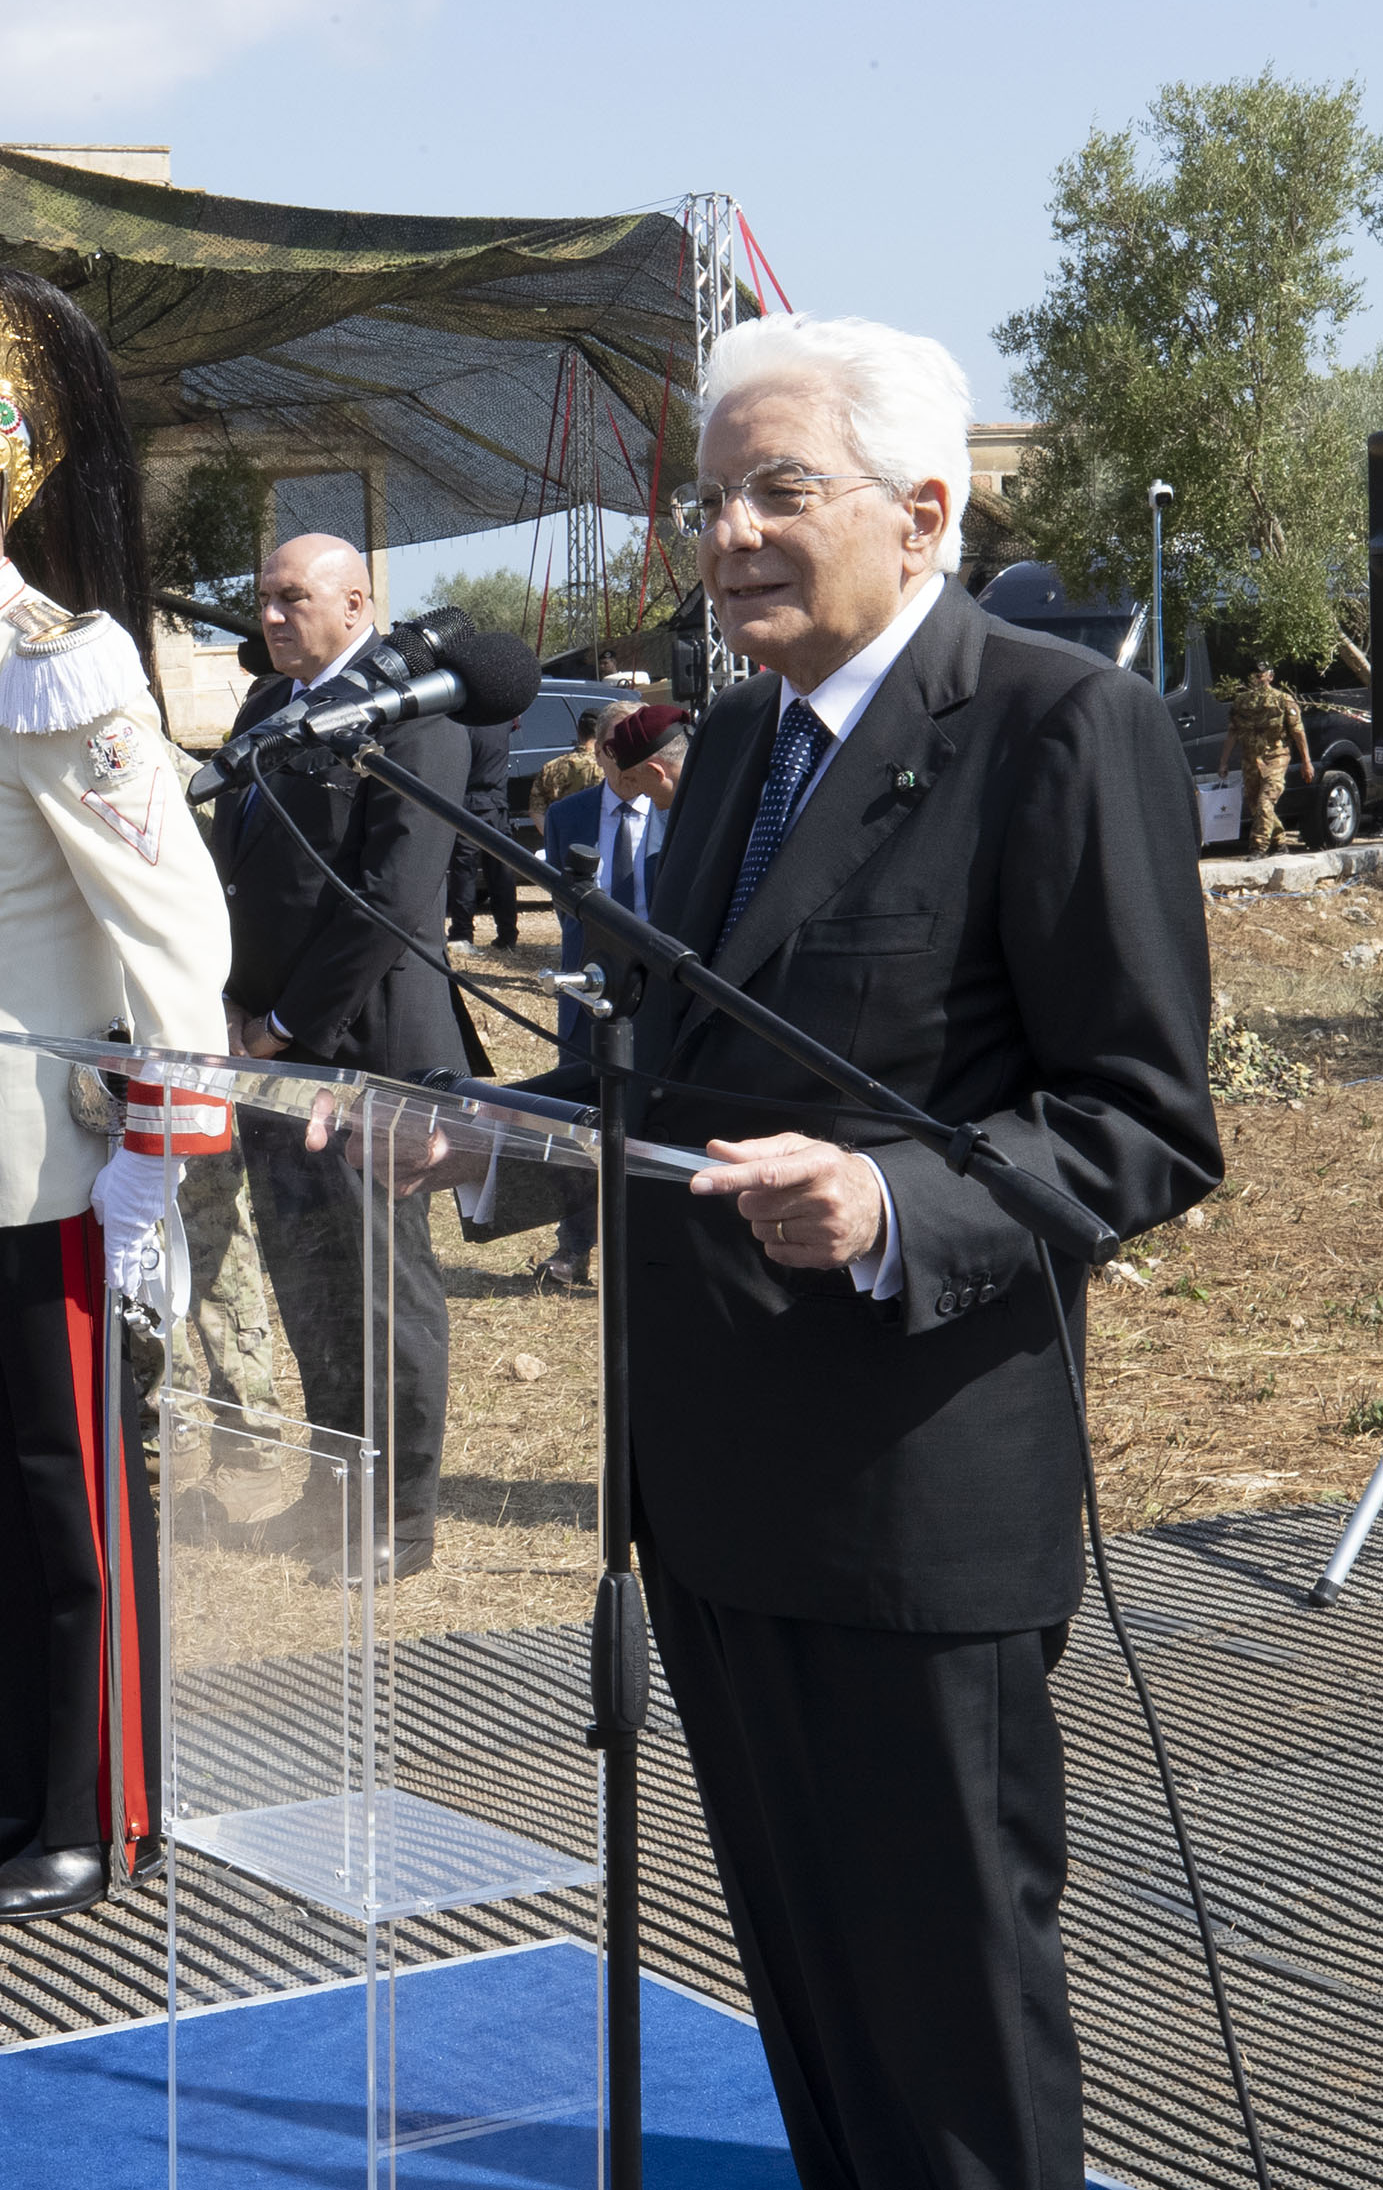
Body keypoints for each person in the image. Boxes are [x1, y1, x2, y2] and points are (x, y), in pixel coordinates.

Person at [458, 313, 1216, 2185]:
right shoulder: (727, 744)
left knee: (946, 2021)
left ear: (922, 509)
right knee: (807, 1991)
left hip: (910, 1494)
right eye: (711, 497)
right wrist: (479, 1140)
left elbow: (1140, 1114)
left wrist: (900, 1204)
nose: (725, 535)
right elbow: (669, 1067)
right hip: (712, 1488)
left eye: (776, 491)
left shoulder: (1053, 722)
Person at [0, 267, 228, 1923]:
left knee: (72, 1502)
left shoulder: (55, 668)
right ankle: (8, 1785)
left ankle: (101, 1807)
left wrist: (163, 1145)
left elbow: (170, 920)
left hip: (54, 1160)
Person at [206, 531, 469, 1580]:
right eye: (263, 598)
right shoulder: (268, 709)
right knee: (309, 1281)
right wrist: (230, 1005)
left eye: (291, 597)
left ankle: (397, 1524)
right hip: (268, 1047)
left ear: (357, 600)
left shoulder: (419, 717)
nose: (269, 616)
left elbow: (391, 905)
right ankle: (331, 1496)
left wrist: (285, 1027)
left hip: (367, 1052)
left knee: (383, 1291)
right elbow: (237, 875)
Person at [528, 701, 688, 1288]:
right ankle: (573, 1248)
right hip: (589, 991)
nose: (623, 767)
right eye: (612, 751)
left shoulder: (685, 808)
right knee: (576, 1122)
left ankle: (650, 1245)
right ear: (598, 751)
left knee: (661, 1115)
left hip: (663, 988)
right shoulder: (570, 814)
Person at [442, 703, 519, 950]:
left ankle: (462, 932)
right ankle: (507, 934)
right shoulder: (503, 720)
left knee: (464, 872)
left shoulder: (460, 724)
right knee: (501, 873)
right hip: (497, 804)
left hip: (466, 804)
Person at [1220, 658, 1313, 855]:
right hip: (1251, 760)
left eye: (1261, 674)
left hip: (1276, 757)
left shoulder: (1283, 700)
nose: (1257, 679)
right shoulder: (1241, 702)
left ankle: (1258, 848)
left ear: (1270, 676)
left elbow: (1298, 732)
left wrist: (1306, 762)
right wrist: (1223, 762)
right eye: (1253, 675)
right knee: (1256, 806)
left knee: (1265, 802)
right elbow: (1233, 733)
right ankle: (1279, 843)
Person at [534, 705, 610, 813]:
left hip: (562, 826)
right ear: (603, 734)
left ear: (578, 732)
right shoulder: (610, 768)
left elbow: (536, 811)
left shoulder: (551, 767)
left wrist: (552, 829)